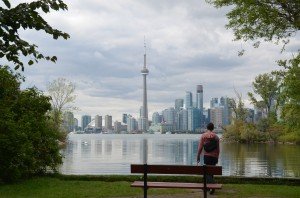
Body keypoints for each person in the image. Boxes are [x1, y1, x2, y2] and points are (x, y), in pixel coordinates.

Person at [196, 122, 220, 195]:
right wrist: (217, 157)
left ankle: (212, 186)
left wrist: (198, 156)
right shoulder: (216, 137)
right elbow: (218, 149)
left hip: (207, 156)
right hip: (214, 157)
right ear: (213, 128)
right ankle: (210, 187)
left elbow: (200, 147)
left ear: (207, 128)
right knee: (211, 172)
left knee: (207, 172)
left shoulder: (203, 136)